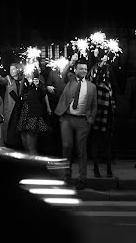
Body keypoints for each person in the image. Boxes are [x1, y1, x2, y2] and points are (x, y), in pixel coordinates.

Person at [54, 55, 98, 190]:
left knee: (81, 150)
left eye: (85, 69)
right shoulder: (70, 80)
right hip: (67, 119)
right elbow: (63, 73)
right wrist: (71, 62)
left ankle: (82, 178)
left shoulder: (91, 86)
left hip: (83, 121)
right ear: (76, 70)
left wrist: (91, 119)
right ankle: (66, 176)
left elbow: (94, 105)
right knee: (67, 147)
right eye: (81, 68)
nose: (84, 71)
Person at [89, 56, 116, 178]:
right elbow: (94, 75)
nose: (107, 73)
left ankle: (109, 168)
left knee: (107, 143)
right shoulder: (94, 83)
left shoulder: (108, 84)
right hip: (97, 115)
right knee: (96, 142)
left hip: (107, 116)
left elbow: (111, 99)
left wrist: (113, 108)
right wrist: (101, 64)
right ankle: (96, 168)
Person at [0, 62, 25, 149]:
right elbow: (1, 80)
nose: (11, 71)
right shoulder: (8, 79)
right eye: (10, 69)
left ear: (18, 70)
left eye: (13, 69)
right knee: (10, 127)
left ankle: (19, 145)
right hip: (11, 108)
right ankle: (9, 144)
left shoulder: (23, 80)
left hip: (20, 107)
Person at [17, 70, 49, 154]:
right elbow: (20, 97)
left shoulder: (37, 84)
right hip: (24, 115)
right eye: (26, 74)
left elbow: (43, 94)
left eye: (30, 74)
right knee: (25, 143)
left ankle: (35, 165)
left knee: (31, 144)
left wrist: (49, 108)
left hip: (34, 115)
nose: (28, 75)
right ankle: (29, 164)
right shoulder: (24, 85)